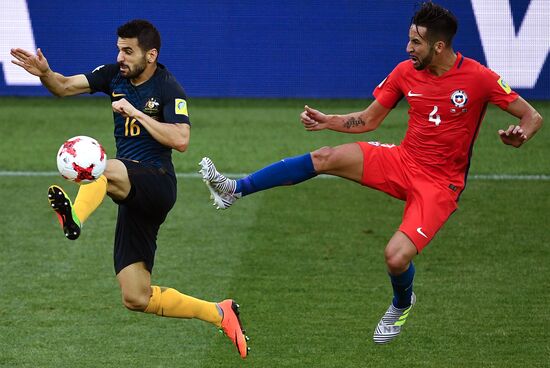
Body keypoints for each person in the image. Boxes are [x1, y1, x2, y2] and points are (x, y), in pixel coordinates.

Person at [199, 2, 543, 344]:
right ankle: (234, 189)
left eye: (416, 43)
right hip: (403, 161)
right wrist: (328, 121)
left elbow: (532, 117)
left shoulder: (479, 78)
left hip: (440, 184)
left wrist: (520, 135)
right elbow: (370, 119)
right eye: (409, 40)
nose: (408, 48)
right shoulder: (405, 72)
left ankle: (402, 301)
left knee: (395, 257)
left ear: (439, 46)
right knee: (324, 156)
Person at [11, 19, 249, 358]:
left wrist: (136, 113)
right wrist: (45, 73)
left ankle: (75, 217)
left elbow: (181, 140)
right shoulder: (113, 76)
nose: (120, 57)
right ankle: (219, 312)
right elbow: (63, 87)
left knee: (100, 168)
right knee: (136, 297)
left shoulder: (169, 88)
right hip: (130, 194)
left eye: (128, 51)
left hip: (157, 182)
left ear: (150, 55)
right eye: (119, 49)